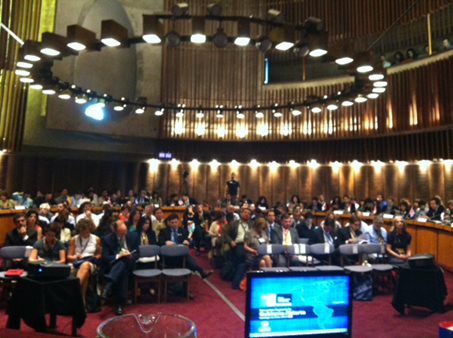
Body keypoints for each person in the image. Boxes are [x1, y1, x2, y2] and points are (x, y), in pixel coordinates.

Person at [100, 219, 140, 316]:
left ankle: (108, 285)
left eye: (125, 232)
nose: (124, 235)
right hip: (113, 265)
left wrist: (131, 256)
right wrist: (119, 256)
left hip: (130, 263)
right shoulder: (107, 239)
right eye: (121, 233)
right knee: (122, 268)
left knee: (124, 262)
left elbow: (138, 253)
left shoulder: (133, 236)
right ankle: (119, 305)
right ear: (114, 231)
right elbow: (105, 257)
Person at [158, 213, 213, 279]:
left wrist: (187, 241)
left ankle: (199, 271)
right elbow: (159, 242)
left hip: (180, 254)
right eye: (172, 223)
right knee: (187, 260)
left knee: (186, 256)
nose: (174, 224)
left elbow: (187, 239)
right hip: (168, 255)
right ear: (169, 223)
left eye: (176, 222)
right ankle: (200, 271)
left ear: (178, 222)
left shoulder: (183, 231)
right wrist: (165, 242)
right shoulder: (164, 231)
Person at [67, 219, 101, 307]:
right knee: (85, 273)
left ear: (90, 229)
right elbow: (69, 257)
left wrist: (94, 258)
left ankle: (75, 289)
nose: (84, 233)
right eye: (82, 231)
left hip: (90, 263)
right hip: (76, 262)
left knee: (85, 265)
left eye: (86, 231)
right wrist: (76, 257)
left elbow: (99, 254)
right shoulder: (74, 239)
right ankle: (82, 303)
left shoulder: (96, 239)